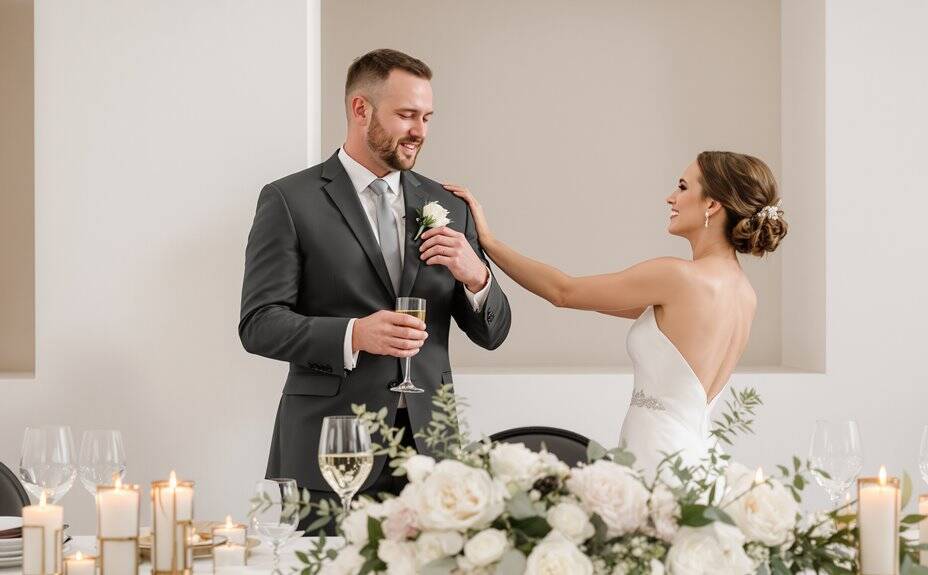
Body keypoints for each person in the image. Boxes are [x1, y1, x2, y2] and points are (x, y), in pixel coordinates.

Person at [239, 49, 511, 531]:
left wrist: (477, 277)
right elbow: (259, 324)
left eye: (427, 117)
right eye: (406, 115)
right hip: (329, 447)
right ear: (360, 109)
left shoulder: (448, 205)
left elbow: (493, 334)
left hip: (431, 452)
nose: (420, 130)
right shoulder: (289, 200)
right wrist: (354, 334)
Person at [440, 151, 786, 477]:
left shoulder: (677, 277)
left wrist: (488, 242)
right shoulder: (745, 294)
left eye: (682, 187)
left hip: (657, 455)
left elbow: (564, 292)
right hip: (698, 457)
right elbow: (587, 298)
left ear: (712, 204)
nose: (670, 198)